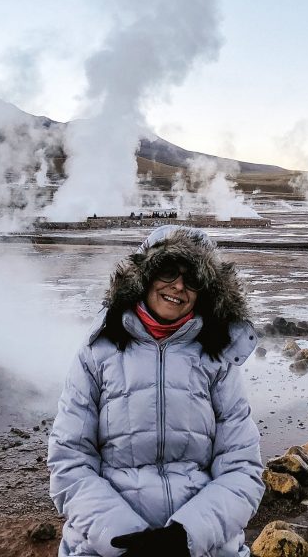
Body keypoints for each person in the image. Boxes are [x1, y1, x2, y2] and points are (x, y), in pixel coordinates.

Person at [47, 226, 264, 557]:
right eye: (168, 270)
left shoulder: (219, 359)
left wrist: (184, 537)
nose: (178, 286)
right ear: (144, 276)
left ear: (205, 291)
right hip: (108, 545)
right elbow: (70, 461)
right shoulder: (97, 352)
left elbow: (243, 467)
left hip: (200, 545)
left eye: (192, 278)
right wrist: (124, 539)